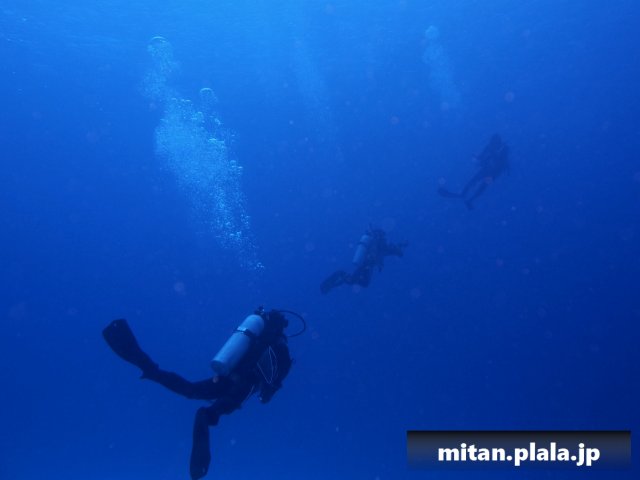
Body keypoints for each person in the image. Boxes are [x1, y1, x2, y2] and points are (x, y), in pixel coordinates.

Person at [102, 307, 296, 480]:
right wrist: (265, 394)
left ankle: (145, 364)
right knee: (210, 412)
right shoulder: (280, 348)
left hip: (225, 378)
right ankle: (199, 464)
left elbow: (237, 356)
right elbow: (270, 386)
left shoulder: (255, 337)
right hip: (243, 386)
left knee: (190, 390)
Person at [320, 226, 407, 294]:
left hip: (366, 265)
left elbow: (391, 251)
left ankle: (332, 284)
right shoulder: (380, 245)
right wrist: (400, 248)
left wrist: (400, 246)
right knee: (357, 281)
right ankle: (337, 276)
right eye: (384, 237)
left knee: (359, 282)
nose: (385, 239)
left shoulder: (378, 245)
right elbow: (393, 251)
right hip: (366, 265)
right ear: (381, 237)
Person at [438, 133, 510, 209]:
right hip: (487, 169)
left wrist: (491, 159)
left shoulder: (504, 148)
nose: (492, 145)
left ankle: (470, 199)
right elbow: (481, 156)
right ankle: (463, 195)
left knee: (483, 185)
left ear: (498, 142)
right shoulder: (490, 146)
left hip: (493, 173)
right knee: (474, 180)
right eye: (492, 143)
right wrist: (477, 158)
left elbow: (502, 163)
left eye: (494, 143)